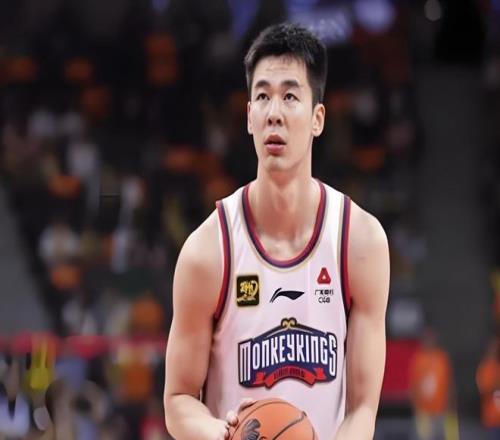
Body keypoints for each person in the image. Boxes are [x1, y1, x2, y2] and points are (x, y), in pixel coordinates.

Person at [164, 23, 390, 440]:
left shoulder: (360, 242)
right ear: (249, 117)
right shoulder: (207, 251)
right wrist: (223, 433)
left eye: (290, 96)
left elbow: (362, 408)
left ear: (318, 118)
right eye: (263, 96)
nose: (274, 112)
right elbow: (178, 399)